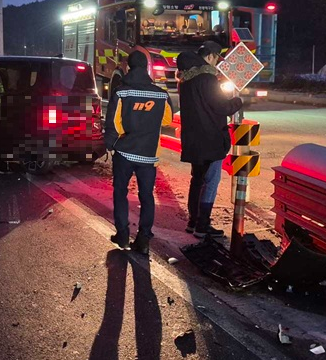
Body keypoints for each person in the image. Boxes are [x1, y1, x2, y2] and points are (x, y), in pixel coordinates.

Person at [104, 51, 174, 256]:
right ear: (146, 68)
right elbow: (167, 120)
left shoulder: (121, 92)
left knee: (120, 193)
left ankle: (123, 235)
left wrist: (111, 144)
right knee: (146, 196)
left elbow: (114, 124)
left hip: (125, 153)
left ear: (128, 67)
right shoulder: (161, 94)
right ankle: (143, 240)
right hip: (148, 155)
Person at [177, 41, 243, 238]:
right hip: (211, 138)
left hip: (193, 139)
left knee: (197, 179)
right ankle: (202, 225)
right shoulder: (207, 78)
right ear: (211, 56)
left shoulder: (185, 81)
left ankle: (193, 221)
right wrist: (237, 101)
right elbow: (222, 107)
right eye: (217, 58)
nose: (217, 63)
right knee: (211, 181)